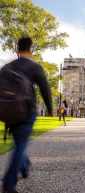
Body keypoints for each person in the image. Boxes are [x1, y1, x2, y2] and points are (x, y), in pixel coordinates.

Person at [1, 37, 52, 193]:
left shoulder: (6, 67)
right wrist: (50, 108)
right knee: (21, 144)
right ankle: (9, 184)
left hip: (9, 113)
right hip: (26, 112)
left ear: (17, 49)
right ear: (30, 50)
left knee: (19, 143)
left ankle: (24, 165)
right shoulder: (34, 67)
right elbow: (45, 88)